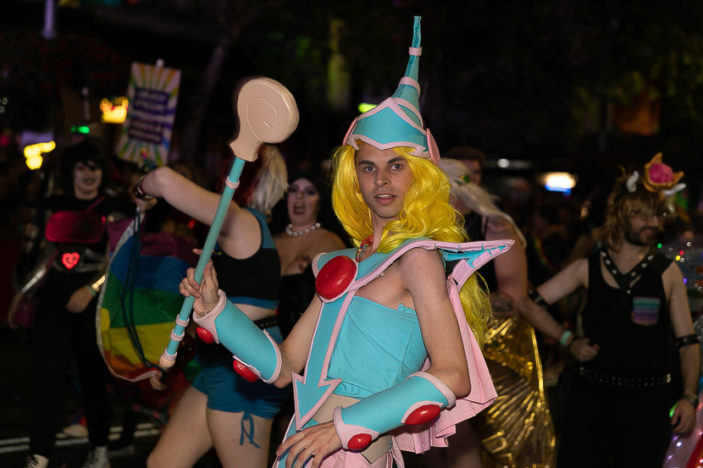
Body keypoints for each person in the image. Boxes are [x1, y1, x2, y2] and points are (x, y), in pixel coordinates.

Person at [180, 16, 511, 468]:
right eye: (368, 167)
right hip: (301, 447)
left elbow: (453, 375)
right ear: (354, 178)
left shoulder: (418, 258)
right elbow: (284, 367)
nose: (381, 180)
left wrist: (342, 428)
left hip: (350, 455)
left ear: (420, 175)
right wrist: (216, 311)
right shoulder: (341, 263)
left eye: (396, 165)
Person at [519, 153, 699, 468]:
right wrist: (567, 340)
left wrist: (688, 396)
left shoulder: (666, 271)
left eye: (657, 215)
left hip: (648, 403)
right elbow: (529, 304)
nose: (653, 223)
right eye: (642, 215)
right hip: (592, 399)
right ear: (621, 215)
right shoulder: (587, 267)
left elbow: (687, 340)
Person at [133, 144, 289, 468]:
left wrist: (139, 191)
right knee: (162, 463)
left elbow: (162, 179)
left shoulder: (241, 222)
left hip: (243, 369)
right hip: (220, 364)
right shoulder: (245, 228)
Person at [18, 138, 141, 468]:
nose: (90, 173)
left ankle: (99, 449)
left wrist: (91, 289)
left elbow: (122, 260)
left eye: (95, 166)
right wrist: (23, 294)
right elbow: (36, 253)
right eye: (82, 166)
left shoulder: (116, 208)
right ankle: (39, 453)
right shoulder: (51, 205)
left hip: (96, 303)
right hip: (53, 301)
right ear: (70, 171)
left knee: (93, 381)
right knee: (47, 380)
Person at [429, 158, 555, 467]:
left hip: (493, 347)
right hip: (440, 338)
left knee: (474, 435)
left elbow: (514, 298)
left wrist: (452, 299)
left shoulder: (494, 227)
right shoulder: (427, 229)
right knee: (433, 434)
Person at [273, 173, 346, 336]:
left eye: (309, 192)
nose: (299, 196)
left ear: (320, 203)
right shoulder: (270, 239)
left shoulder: (330, 242)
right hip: (264, 332)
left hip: (307, 335)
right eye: (293, 190)